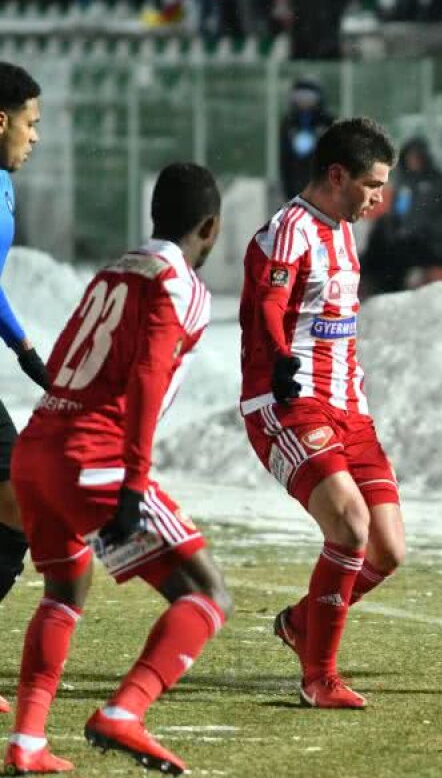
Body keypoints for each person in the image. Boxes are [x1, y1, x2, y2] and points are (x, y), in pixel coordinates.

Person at [2, 163, 231, 775]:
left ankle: (27, 741)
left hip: (38, 448)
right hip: (94, 458)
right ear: (211, 227)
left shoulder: (115, 269)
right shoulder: (181, 284)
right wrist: (134, 479)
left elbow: (67, 352)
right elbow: (151, 374)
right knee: (207, 594)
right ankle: (125, 711)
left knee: (65, 587)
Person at [240, 117, 405, 709]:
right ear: (337, 175)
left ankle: (299, 623)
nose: (379, 197)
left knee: (387, 550)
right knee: (350, 526)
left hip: (350, 410)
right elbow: (270, 301)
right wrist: (280, 358)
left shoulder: (344, 229)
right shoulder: (290, 229)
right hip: (288, 403)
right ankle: (320, 678)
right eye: (372, 184)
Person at [0, 63, 55, 718]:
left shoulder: (4, 185)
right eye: (31, 123)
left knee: (15, 504)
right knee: (17, 499)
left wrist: (24, 348)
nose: (35, 137)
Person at [361, 136, 442, 296]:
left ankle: (391, 292)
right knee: (381, 244)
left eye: (416, 157)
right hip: (408, 239)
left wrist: (427, 230)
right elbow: (398, 213)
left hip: (434, 243)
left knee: (396, 255)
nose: (413, 161)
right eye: (409, 157)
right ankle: (372, 285)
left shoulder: (441, 182)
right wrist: (392, 227)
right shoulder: (405, 183)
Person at [279, 78, 335, 201]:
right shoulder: (289, 122)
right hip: (296, 181)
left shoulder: (328, 121)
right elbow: (284, 159)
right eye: (299, 96)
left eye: (308, 96)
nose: (304, 101)